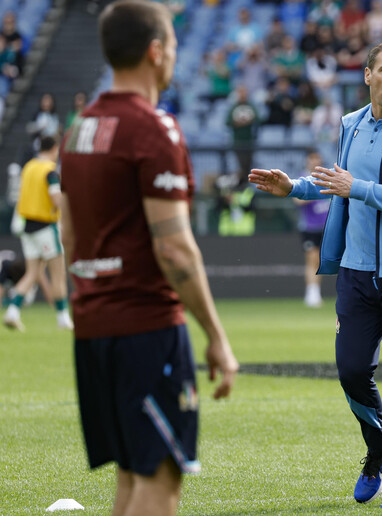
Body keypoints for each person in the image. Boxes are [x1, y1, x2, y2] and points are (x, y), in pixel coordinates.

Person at [58, 3, 238, 515]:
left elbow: (68, 233)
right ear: (156, 51)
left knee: (132, 477)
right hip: (147, 328)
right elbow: (174, 248)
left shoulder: (79, 129)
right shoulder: (154, 129)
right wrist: (216, 337)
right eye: (174, 47)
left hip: (94, 327)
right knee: (159, 483)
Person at [249, 40, 382, 508]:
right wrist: (294, 188)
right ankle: (378, 449)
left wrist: (357, 187)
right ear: (367, 75)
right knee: (352, 371)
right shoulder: (351, 124)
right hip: (357, 272)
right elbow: (338, 185)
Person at [3, 136, 72, 331]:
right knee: (58, 274)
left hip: (27, 227)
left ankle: (12, 311)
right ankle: (63, 318)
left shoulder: (29, 167)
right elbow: (56, 198)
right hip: (46, 226)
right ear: (54, 149)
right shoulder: (50, 170)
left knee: (32, 273)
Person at [292, 150, 329, 308]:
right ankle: (311, 293)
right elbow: (297, 201)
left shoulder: (326, 177)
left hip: (325, 226)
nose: (315, 161)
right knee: (312, 259)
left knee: (320, 261)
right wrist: (314, 191)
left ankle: (315, 292)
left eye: (317, 158)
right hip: (309, 227)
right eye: (312, 159)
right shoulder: (303, 178)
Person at [226, 84, 260, 181]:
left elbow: (258, 119)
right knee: (241, 165)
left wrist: (248, 121)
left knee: (248, 166)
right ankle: (242, 183)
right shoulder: (234, 107)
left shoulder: (251, 106)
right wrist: (239, 123)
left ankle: (246, 183)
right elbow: (228, 122)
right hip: (237, 142)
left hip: (249, 141)